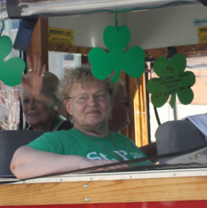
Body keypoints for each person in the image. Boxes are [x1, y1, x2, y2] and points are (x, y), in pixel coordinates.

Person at [10, 66, 151, 180]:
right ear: (69, 107)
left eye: (100, 96)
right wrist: (81, 164)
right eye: (82, 97)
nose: (92, 103)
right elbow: (19, 163)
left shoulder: (125, 142)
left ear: (110, 102)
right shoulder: (60, 140)